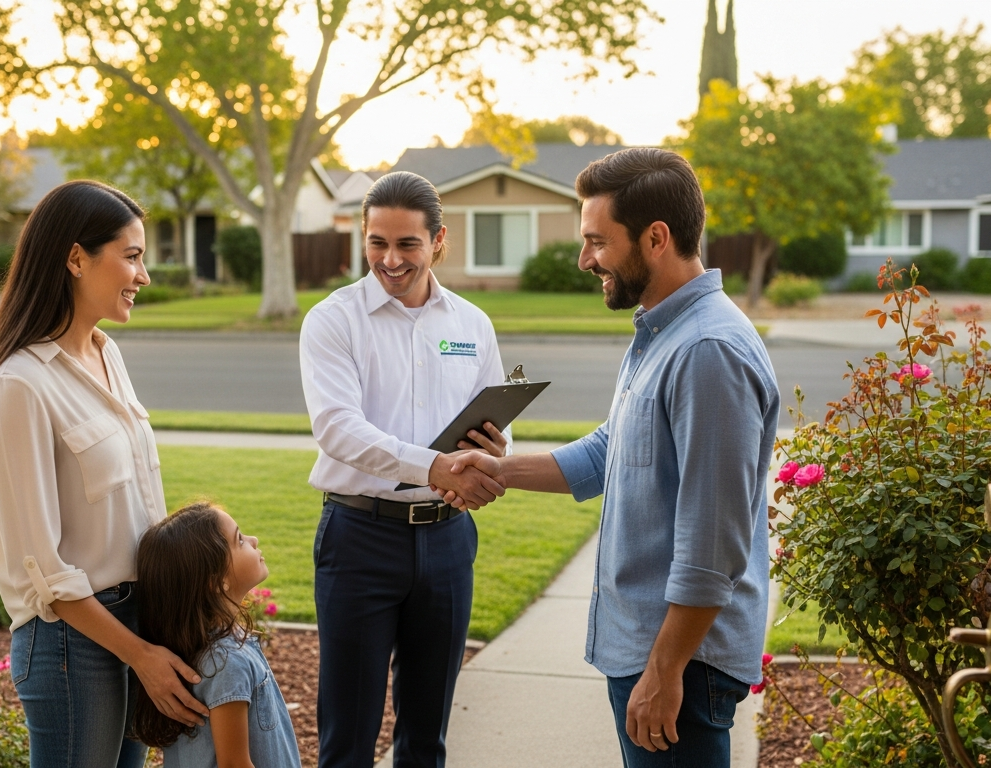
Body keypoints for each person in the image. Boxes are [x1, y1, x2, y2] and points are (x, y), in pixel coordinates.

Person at [441, 148, 779, 767]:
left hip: (682, 663)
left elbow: (713, 545)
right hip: (652, 652)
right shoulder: (664, 332)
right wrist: (502, 471)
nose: (583, 259)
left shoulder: (708, 352)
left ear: (656, 238)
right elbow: (611, 449)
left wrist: (664, 672)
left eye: (597, 241)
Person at [0, 180, 209, 768]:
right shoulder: (20, 385)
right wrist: (140, 655)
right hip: (72, 644)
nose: (144, 275)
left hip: (135, 623)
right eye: (131, 256)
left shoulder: (107, 353)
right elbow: (42, 566)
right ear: (76, 258)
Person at [299, 171, 510, 767]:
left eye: (407, 245)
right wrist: (439, 466)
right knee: (349, 736)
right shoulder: (333, 320)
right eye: (376, 243)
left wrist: (487, 464)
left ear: (438, 241)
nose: (389, 260)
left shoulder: (471, 325)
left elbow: (495, 426)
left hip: (447, 540)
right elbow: (338, 429)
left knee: (426, 737)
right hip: (359, 539)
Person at [132, 503, 302, 768]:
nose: (254, 540)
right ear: (215, 581)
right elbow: (234, 764)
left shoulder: (206, 648)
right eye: (240, 540)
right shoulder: (226, 662)